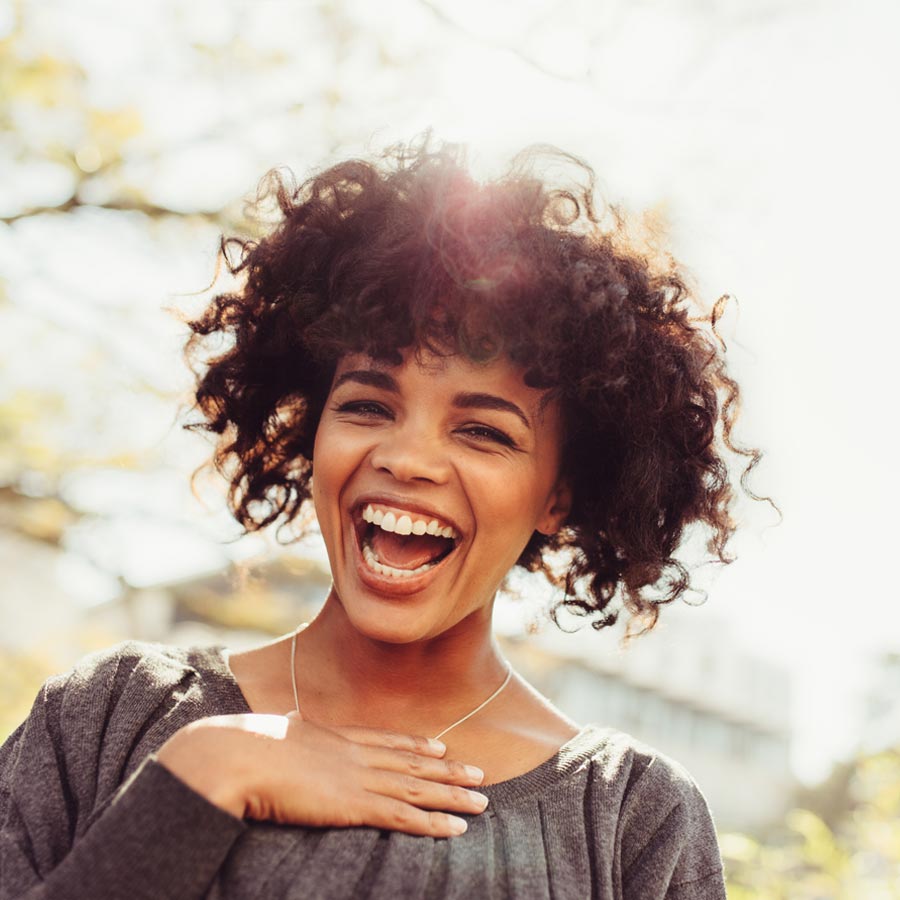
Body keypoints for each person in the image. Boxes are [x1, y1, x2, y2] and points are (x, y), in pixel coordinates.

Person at [0, 138, 759, 899]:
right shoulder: (112, 717)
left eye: (484, 431)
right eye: (367, 405)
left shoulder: (630, 819)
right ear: (312, 433)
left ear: (559, 495)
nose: (409, 459)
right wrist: (204, 775)